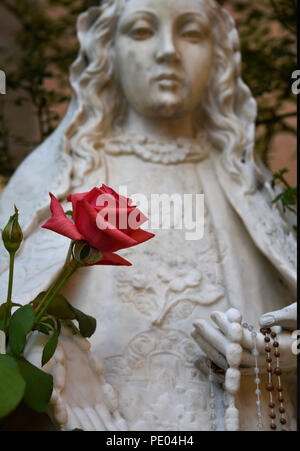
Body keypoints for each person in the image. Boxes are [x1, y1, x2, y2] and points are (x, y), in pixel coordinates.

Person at [0, 0, 296, 431]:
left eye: (191, 32)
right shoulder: (58, 174)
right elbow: (8, 305)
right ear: (108, 51)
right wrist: (53, 357)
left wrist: (275, 353)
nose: (168, 51)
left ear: (218, 55)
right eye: (141, 31)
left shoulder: (246, 184)